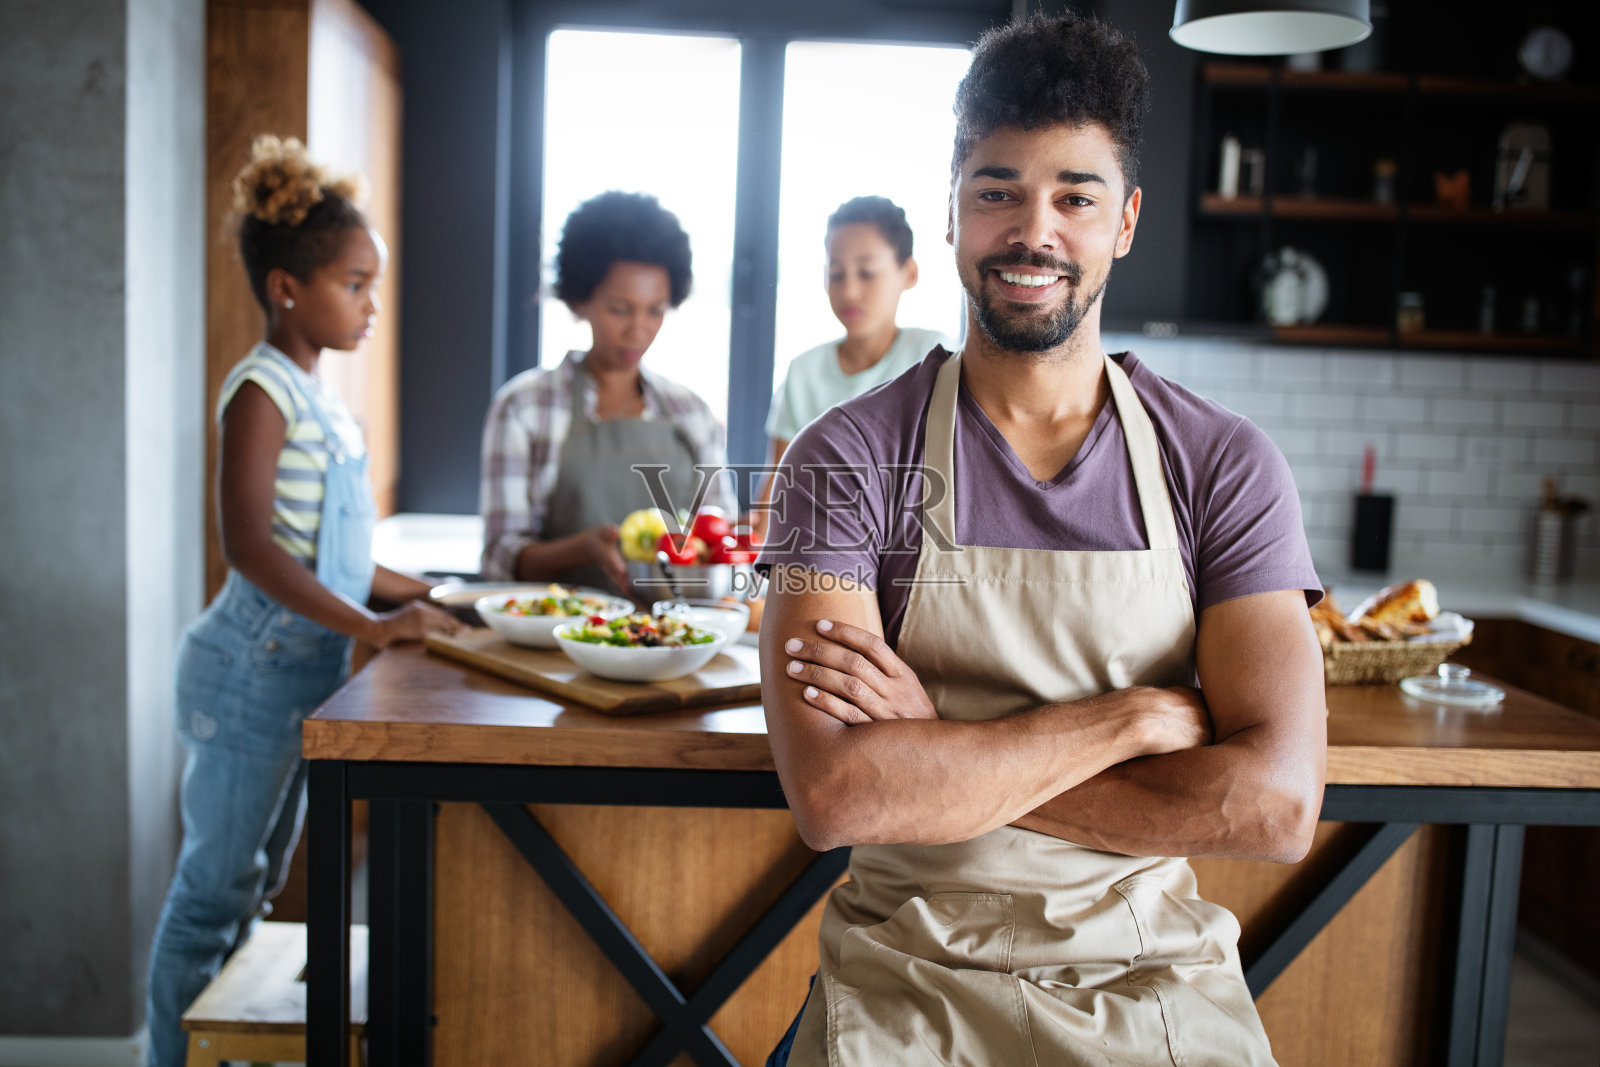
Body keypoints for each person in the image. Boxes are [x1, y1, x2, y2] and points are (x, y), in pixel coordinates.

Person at [758, 13, 1326, 1066]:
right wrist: (1128, 719)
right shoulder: (839, 462)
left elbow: (1276, 805)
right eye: (997, 191)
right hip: (905, 973)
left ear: (1126, 221)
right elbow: (839, 796)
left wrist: (945, 747)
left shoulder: (1225, 465)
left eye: (1075, 194)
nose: (1034, 231)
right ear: (953, 214)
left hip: (1151, 973)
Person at [145, 136, 461, 1067]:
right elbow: (250, 546)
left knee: (256, 883)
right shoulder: (261, 392)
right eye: (355, 284)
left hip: (300, 673)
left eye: (372, 285)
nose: (370, 304)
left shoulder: (324, 403)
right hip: (248, 670)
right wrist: (374, 629)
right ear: (288, 288)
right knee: (211, 895)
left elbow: (341, 555)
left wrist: (444, 598)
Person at [479, 191, 735, 596]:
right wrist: (582, 549)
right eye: (620, 309)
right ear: (581, 300)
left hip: (680, 639)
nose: (638, 329)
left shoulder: (691, 413)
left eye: (655, 310)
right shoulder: (525, 407)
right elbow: (500, 558)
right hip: (562, 637)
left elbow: (718, 536)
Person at [752, 196, 952, 543]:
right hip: (817, 552)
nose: (849, 291)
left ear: (909, 273)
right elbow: (777, 488)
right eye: (836, 273)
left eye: (867, 272)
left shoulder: (932, 357)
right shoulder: (804, 371)